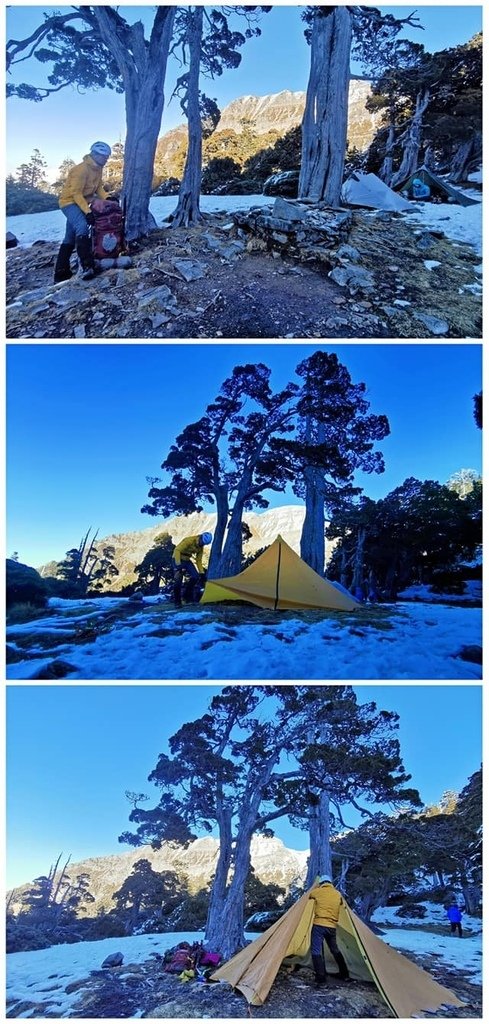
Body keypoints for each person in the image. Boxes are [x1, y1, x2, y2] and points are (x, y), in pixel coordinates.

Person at [54, 141, 112, 283]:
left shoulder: (97, 168)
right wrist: (87, 212)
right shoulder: (81, 170)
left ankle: (61, 272)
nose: (106, 159)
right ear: (95, 155)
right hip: (69, 202)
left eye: (107, 157)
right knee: (82, 227)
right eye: (104, 156)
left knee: (69, 237)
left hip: (82, 201)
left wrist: (108, 198)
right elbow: (76, 194)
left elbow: (98, 188)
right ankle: (87, 266)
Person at [308, 874, 350, 985]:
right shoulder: (338, 894)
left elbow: (309, 896)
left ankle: (321, 980)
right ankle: (344, 974)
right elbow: (341, 903)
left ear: (321, 883)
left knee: (316, 951)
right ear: (331, 883)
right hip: (332, 927)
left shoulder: (317, 892)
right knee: (334, 949)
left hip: (319, 925)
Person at [172, 533, 213, 607]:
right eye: (202, 542)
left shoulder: (201, 547)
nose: (202, 544)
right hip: (177, 558)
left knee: (195, 576)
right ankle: (177, 602)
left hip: (187, 560)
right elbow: (177, 550)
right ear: (200, 538)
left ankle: (186, 597)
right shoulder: (189, 540)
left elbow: (198, 560)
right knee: (178, 581)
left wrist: (202, 573)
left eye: (204, 544)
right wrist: (179, 565)